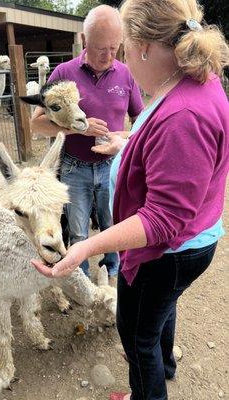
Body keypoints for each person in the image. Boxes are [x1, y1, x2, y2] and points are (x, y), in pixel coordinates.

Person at [31, 0, 229, 399]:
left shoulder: (183, 115)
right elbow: (156, 132)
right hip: (188, 238)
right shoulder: (191, 83)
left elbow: (162, 220)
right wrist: (126, 140)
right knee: (160, 308)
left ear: (139, 46)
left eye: (120, 48)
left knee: (136, 335)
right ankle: (165, 363)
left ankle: (148, 390)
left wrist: (84, 245)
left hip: (168, 250)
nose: (116, 58)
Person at [31, 5, 144, 279]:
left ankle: (113, 272)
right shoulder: (63, 73)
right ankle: (80, 277)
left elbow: (141, 119)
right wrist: (78, 129)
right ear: (84, 41)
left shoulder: (125, 74)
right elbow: (37, 123)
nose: (109, 56)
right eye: (100, 48)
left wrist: (125, 136)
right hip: (75, 168)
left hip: (113, 165)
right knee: (79, 229)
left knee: (113, 225)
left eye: (114, 48)